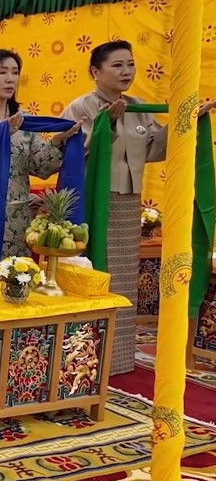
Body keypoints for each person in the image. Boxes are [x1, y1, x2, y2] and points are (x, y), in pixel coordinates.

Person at [61, 40, 216, 375]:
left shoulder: (138, 106)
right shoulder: (81, 107)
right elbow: (74, 154)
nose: (126, 72)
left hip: (129, 203)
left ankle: (117, 360)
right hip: (94, 203)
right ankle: (86, 358)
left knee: (124, 279)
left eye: (130, 64)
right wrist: (110, 126)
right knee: (97, 273)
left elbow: (155, 147)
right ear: (95, 72)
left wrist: (187, 123)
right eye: (117, 65)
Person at [0, 50, 83, 278]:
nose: (10, 78)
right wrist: (1, 134)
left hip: (18, 217)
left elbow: (39, 166)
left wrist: (59, 140)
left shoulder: (24, 119)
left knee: (17, 278)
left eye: (15, 72)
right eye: (2, 72)